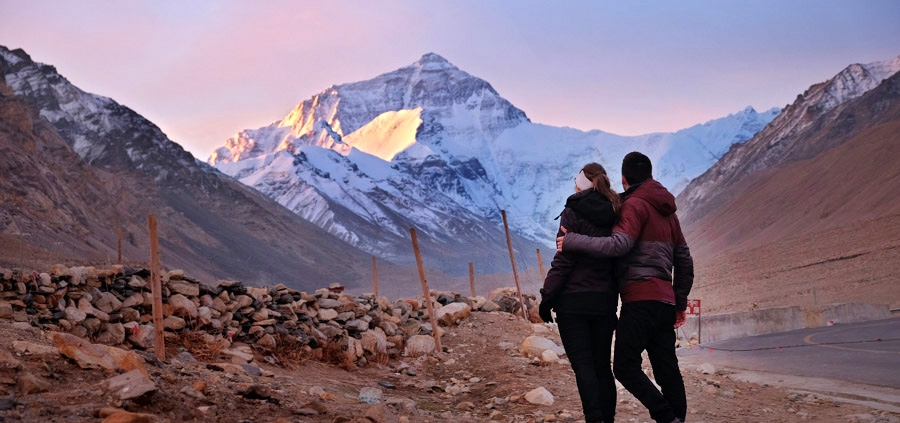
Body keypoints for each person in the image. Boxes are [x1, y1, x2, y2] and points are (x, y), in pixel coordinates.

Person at [556, 152, 694, 423]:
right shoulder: (669, 214)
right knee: (668, 370)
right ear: (651, 176)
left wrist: (572, 241)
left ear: (624, 178)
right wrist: (678, 302)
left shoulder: (634, 206)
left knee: (624, 367)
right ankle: (677, 419)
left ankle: (666, 416)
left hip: (640, 299)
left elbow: (618, 245)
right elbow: (685, 261)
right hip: (665, 302)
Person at [539, 162, 622, 423]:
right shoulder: (616, 210)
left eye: (575, 183)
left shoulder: (572, 210)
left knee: (584, 366)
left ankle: (594, 419)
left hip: (572, 304)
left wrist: (547, 297)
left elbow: (564, 259)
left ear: (581, 185)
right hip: (605, 302)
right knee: (601, 366)